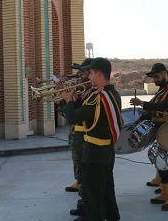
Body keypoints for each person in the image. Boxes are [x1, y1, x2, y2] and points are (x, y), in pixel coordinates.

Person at [60, 57, 122, 221]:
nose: (89, 77)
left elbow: (74, 117)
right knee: (108, 195)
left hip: (94, 154)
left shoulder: (98, 97)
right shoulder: (113, 94)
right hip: (106, 152)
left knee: (94, 200)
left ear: (100, 74)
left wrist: (67, 100)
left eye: (92, 73)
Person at [129, 63, 168, 210]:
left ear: (165, 74)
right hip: (158, 130)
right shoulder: (160, 92)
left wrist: (142, 104)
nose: (154, 80)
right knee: (161, 162)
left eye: (156, 76)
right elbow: (151, 111)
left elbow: (166, 106)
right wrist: (137, 121)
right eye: (153, 77)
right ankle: (166, 192)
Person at [64, 58, 94, 219]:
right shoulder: (85, 91)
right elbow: (69, 113)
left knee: (86, 176)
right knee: (81, 174)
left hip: (85, 138)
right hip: (79, 137)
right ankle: (83, 205)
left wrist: (70, 100)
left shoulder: (93, 93)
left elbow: (75, 115)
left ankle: (87, 209)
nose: (79, 75)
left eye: (82, 71)